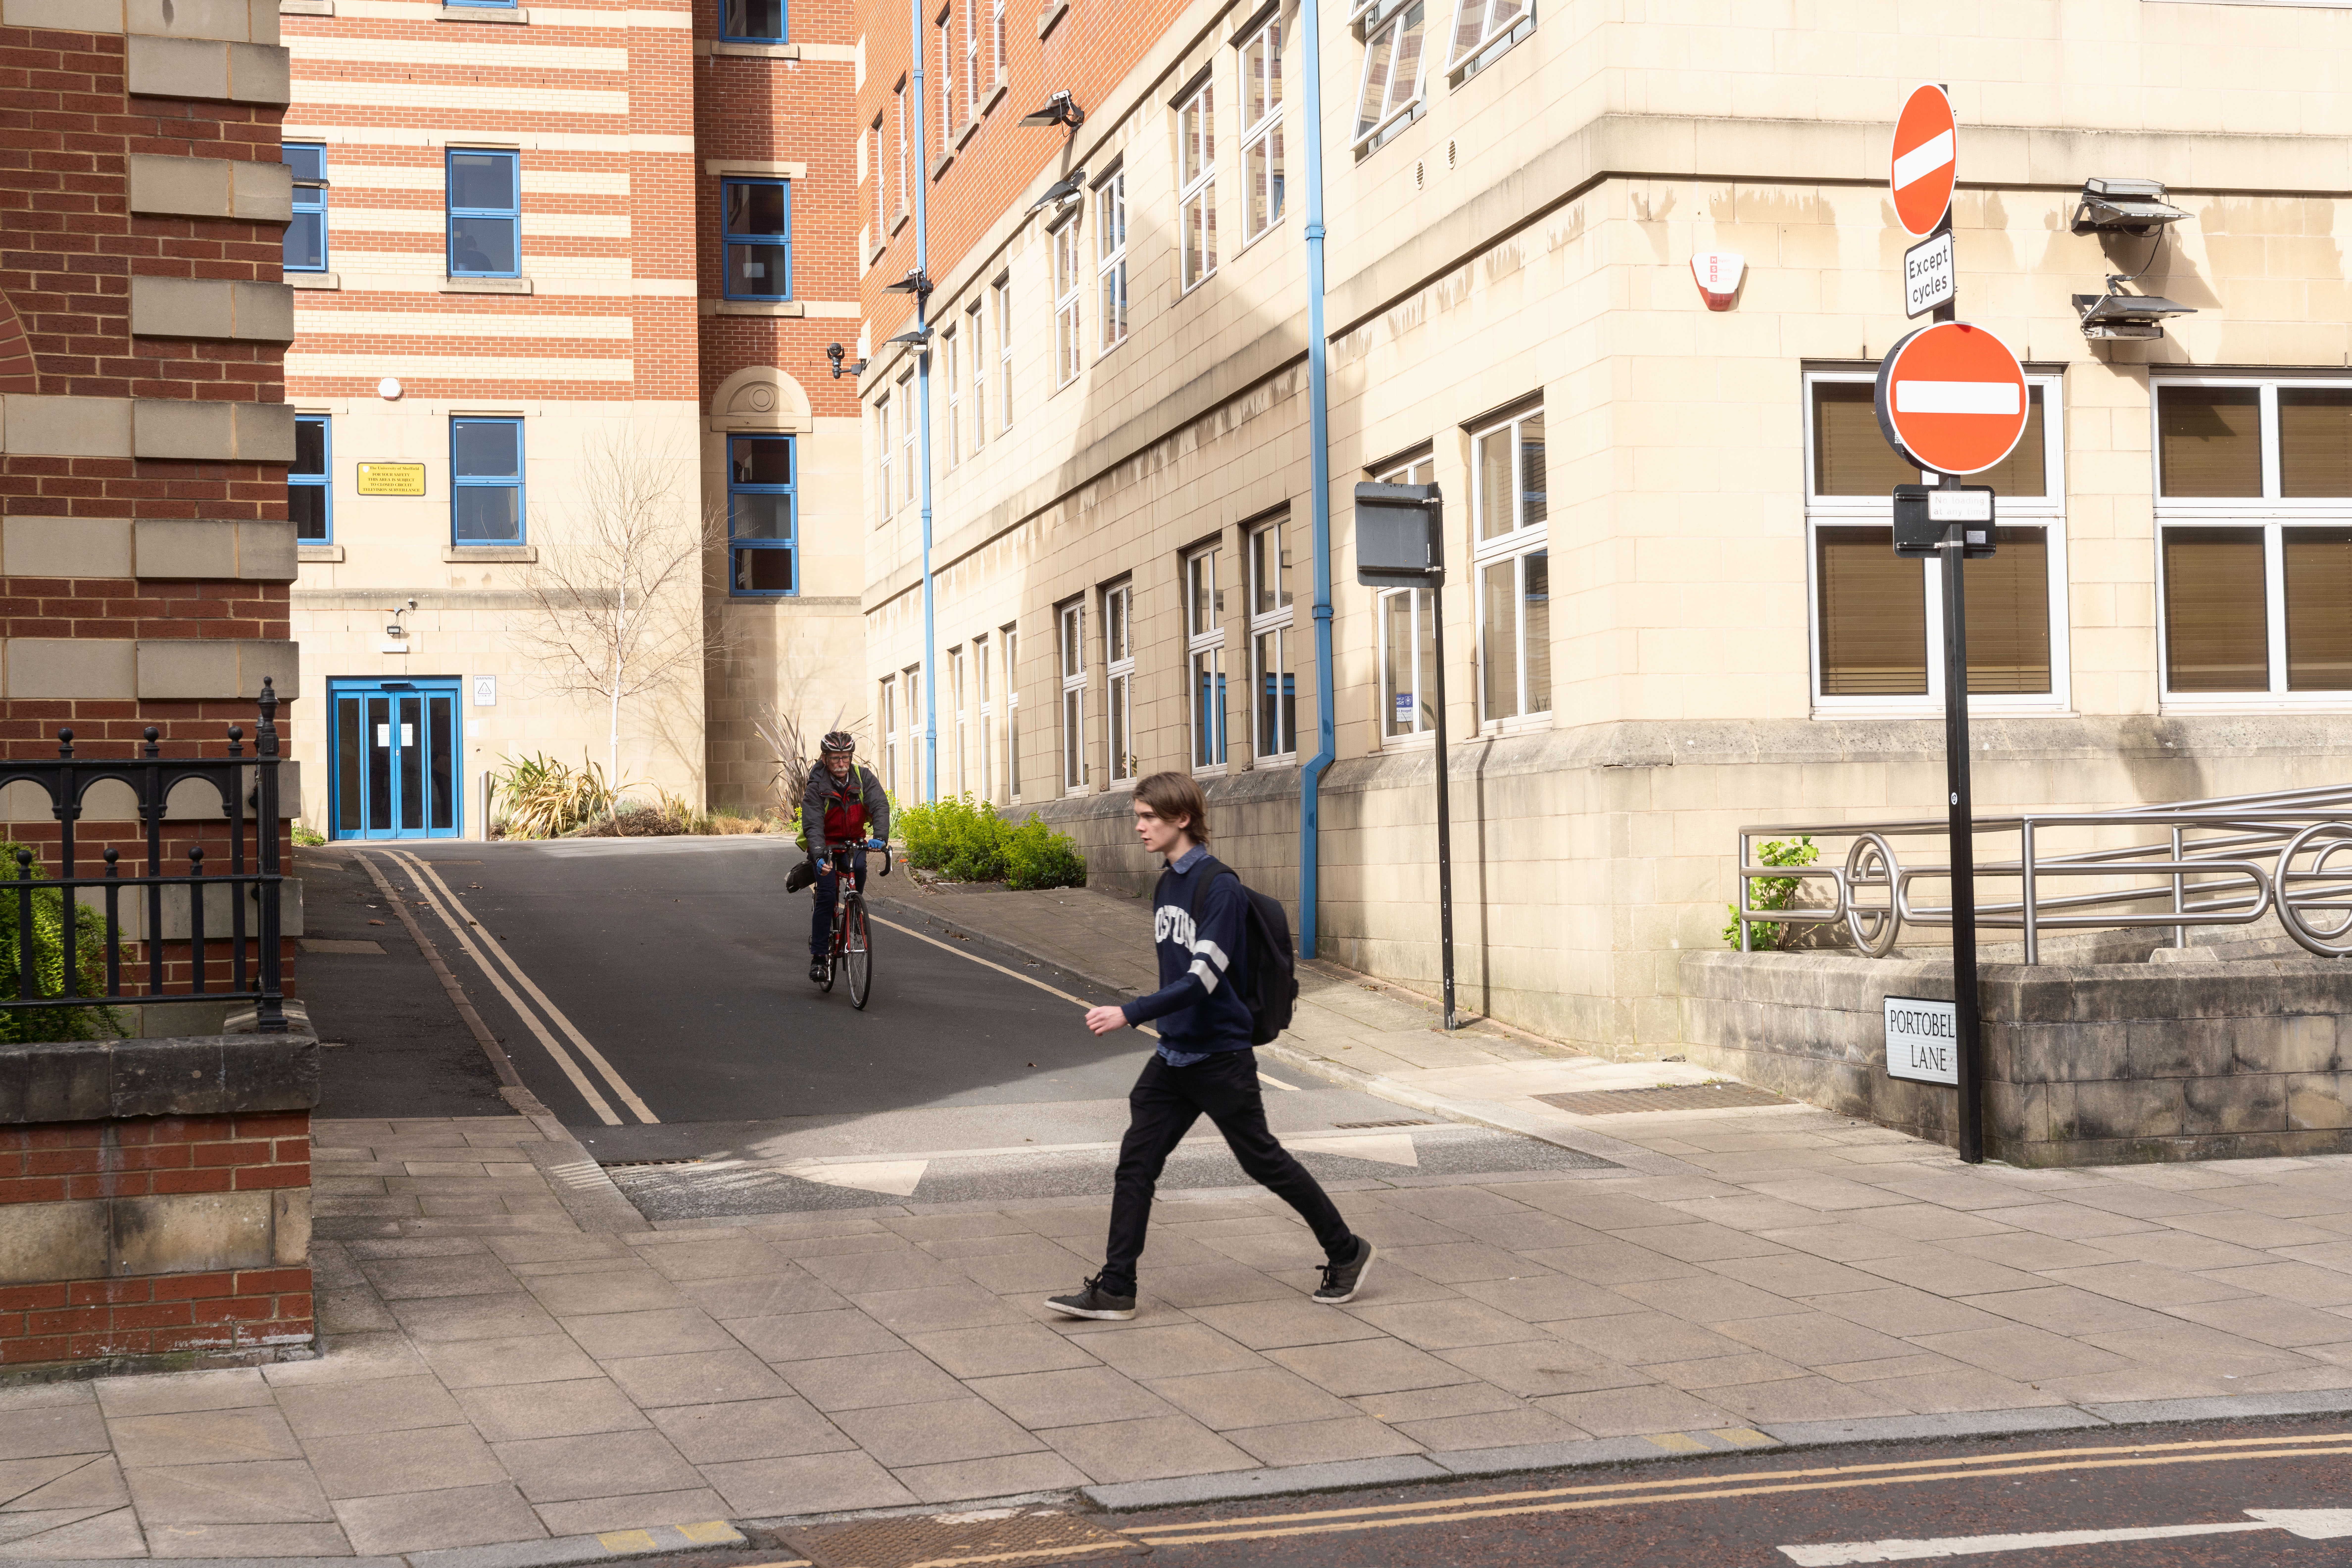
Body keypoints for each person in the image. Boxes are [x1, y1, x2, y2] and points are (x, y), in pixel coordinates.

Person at [1045, 771, 1374, 1321]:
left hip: (1220, 1058)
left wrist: (1130, 1013)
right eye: (1138, 816)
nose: (1140, 826)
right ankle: (1117, 1288)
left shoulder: (1217, 886)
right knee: (1136, 1166)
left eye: (1149, 817)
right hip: (1174, 1056)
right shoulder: (1167, 881)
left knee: (1264, 1162)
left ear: (1182, 819)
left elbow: (1203, 979)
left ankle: (1347, 1251)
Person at [794, 731, 888, 983]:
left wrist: (880, 837)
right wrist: (817, 856)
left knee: (859, 870)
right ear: (825, 759)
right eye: (836, 758)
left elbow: (880, 804)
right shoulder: (817, 787)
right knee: (826, 895)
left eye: (845, 758)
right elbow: (813, 826)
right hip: (825, 844)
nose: (841, 764)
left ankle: (854, 915)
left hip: (854, 842)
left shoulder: (863, 778)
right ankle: (819, 957)